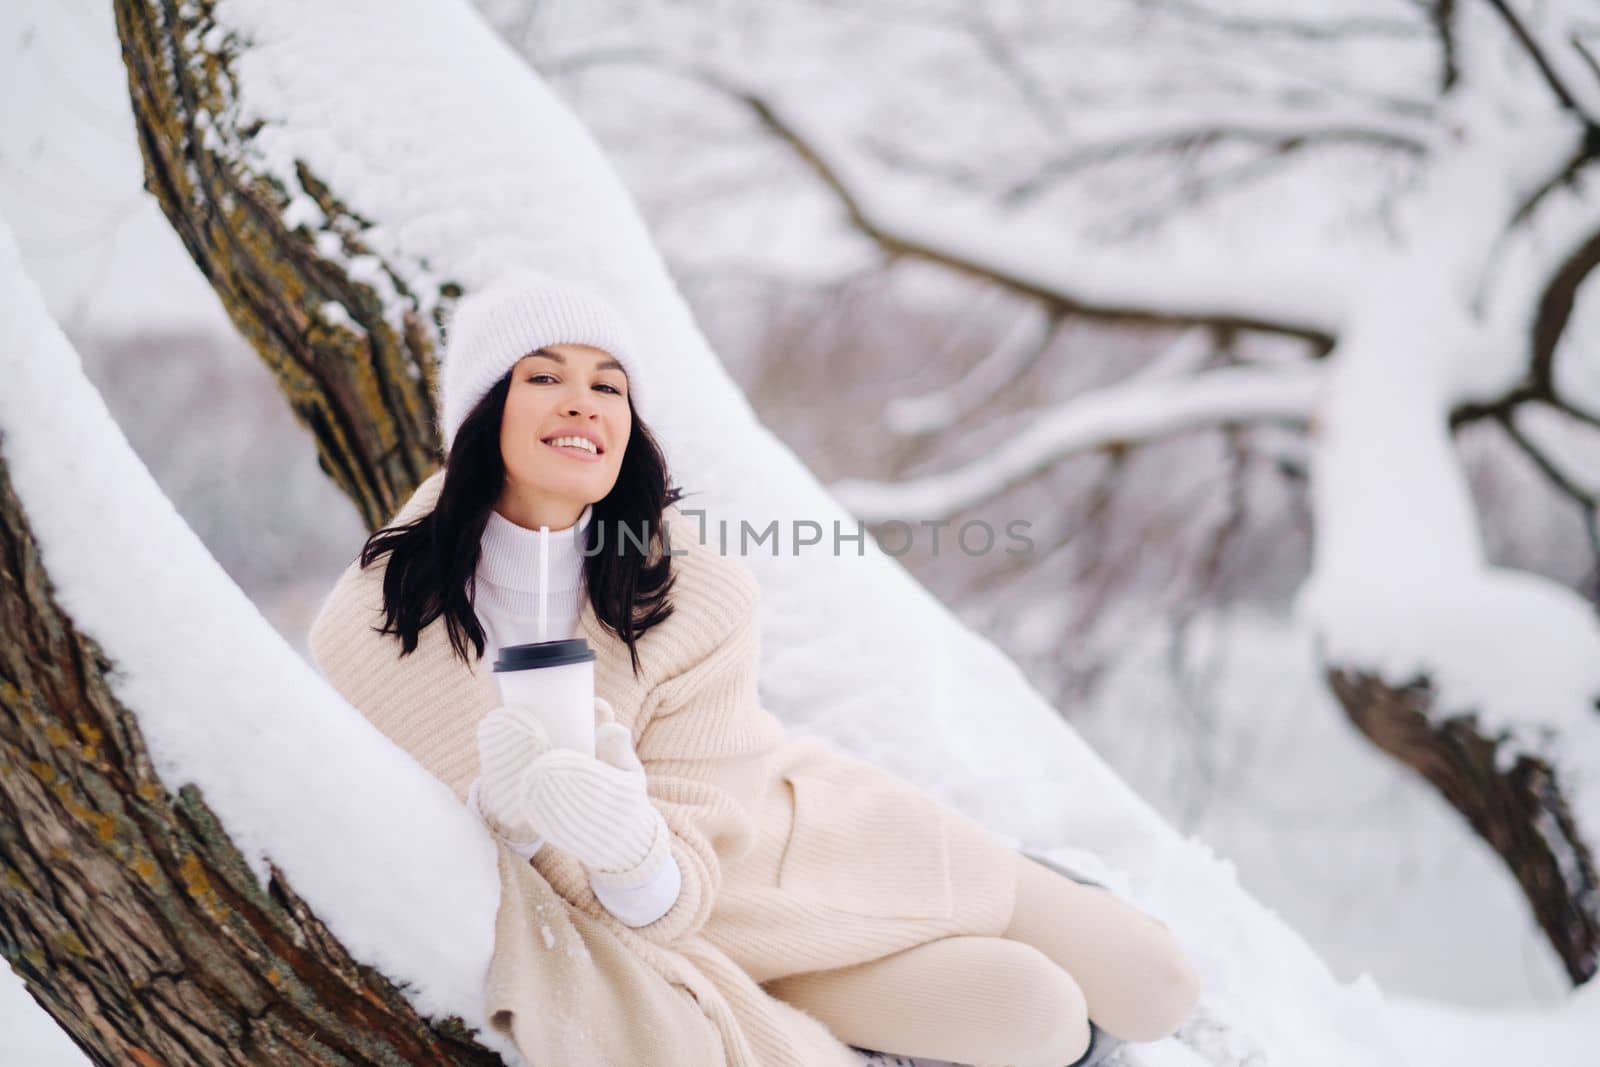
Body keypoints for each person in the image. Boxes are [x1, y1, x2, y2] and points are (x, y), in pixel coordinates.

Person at [308, 268, 1202, 1067]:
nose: (582, 402)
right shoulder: (375, 624)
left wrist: (618, 833)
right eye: (544, 376)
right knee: (1039, 1020)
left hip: (802, 836)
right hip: (706, 933)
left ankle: (1030, 889)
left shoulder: (694, 587)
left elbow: (709, 798)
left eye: (607, 385)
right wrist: (542, 827)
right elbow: (452, 856)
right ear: (481, 412)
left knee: (1157, 984)